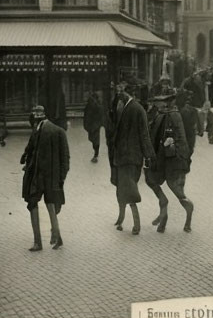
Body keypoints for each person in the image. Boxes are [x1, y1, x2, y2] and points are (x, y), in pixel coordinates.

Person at [21, 105, 70, 251]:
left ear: (36, 120)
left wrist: (25, 162)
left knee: (32, 204)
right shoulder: (59, 131)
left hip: (37, 176)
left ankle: (37, 242)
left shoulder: (37, 131)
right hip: (52, 177)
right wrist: (61, 178)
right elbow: (65, 158)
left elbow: (31, 152)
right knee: (51, 204)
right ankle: (58, 236)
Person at [145, 89, 194, 233]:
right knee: (150, 179)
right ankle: (163, 207)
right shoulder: (162, 115)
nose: (155, 104)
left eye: (158, 101)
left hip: (173, 161)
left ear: (165, 102)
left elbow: (181, 140)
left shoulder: (172, 115)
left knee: (178, 192)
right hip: (163, 158)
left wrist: (176, 150)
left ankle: (188, 217)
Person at [108, 90, 154, 235]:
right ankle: (121, 218)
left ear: (124, 98)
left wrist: (149, 156)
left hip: (129, 158)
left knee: (129, 191)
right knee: (121, 189)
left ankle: (136, 225)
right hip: (123, 157)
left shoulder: (136, 109)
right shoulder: (131, 107)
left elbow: (144, 134)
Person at [178, 88, 200, 163]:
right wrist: (200, 131)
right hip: (190, 132)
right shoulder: (194, 110)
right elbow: (197, 122)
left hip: (183, 132)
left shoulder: (180, 110)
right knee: (190, 148)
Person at [82, 90, 104, 163]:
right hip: (93, 124)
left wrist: (96, 124)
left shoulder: (93, 103)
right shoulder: (92, 103)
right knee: (94, 139)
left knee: (95, 140)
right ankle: (96, 154)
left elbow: (98, 113)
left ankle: (96, 155)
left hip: (94, 125)